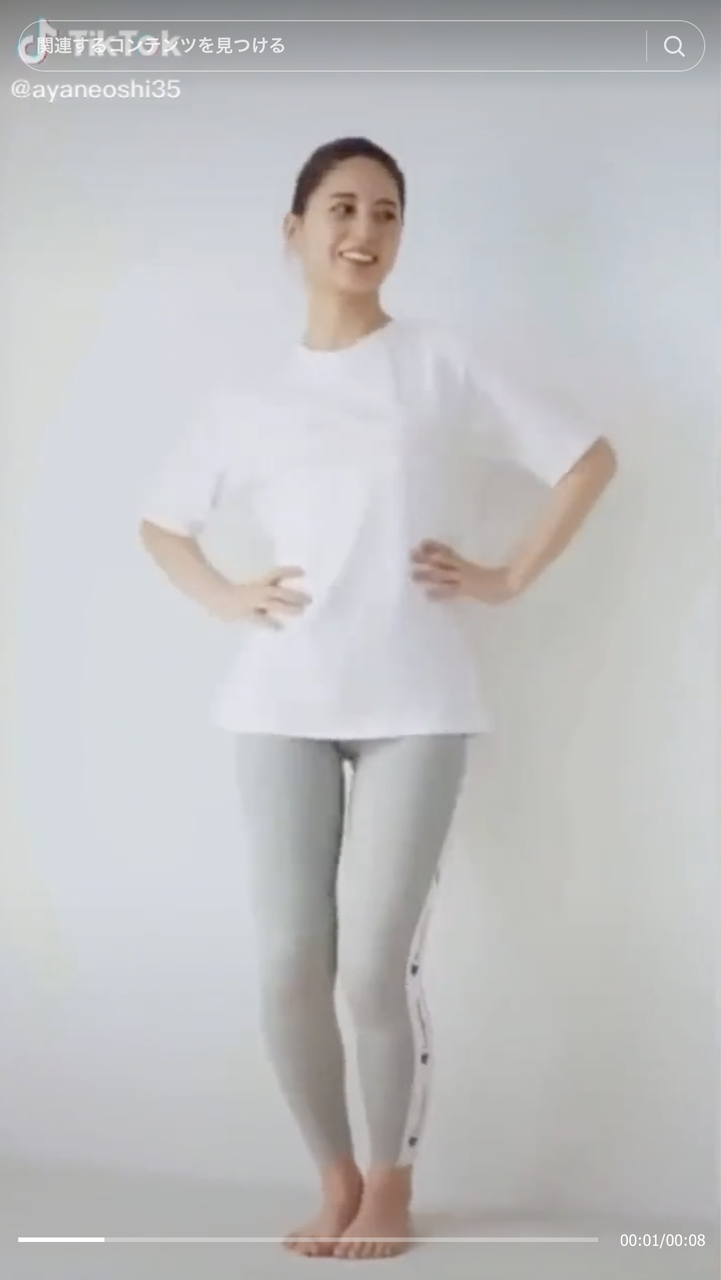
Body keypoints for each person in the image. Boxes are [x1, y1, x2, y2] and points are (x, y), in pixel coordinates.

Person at [139, 136, 617, 1261]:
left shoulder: (439, 361)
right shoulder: (246, 398)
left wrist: (505, 574)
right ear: (295, 228)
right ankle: (336, 1176)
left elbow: (586, 459)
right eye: (343, 208)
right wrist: (225, 594)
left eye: (387, 213)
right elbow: (162, 524)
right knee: (286, 963)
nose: (365, 231)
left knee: (370, 965)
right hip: (279, 702)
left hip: (417, 700)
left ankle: (393, 1183)